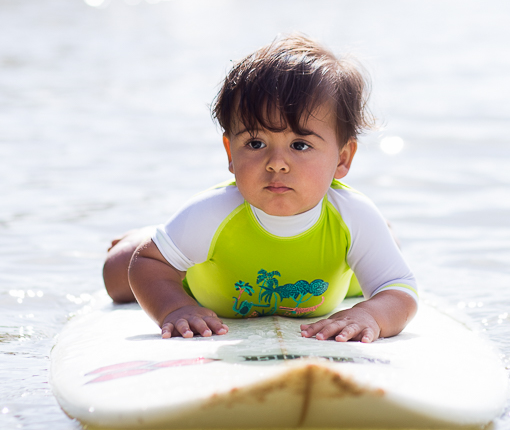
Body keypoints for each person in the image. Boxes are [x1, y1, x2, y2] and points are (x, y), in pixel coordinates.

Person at [103, 34, 417, 343]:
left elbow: (399, 289)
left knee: (381, 247)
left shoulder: (353, 218)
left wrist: (370, 315)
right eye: (255, 143)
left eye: (300, 144)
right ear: (230, 152)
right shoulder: (211, 214)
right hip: (200, 274)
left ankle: (381, 236)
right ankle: (151, 235)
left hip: (330, 272)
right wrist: (176, 307)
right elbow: (149, 264)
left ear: (342, 158)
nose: (276, 163)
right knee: (119, 267)